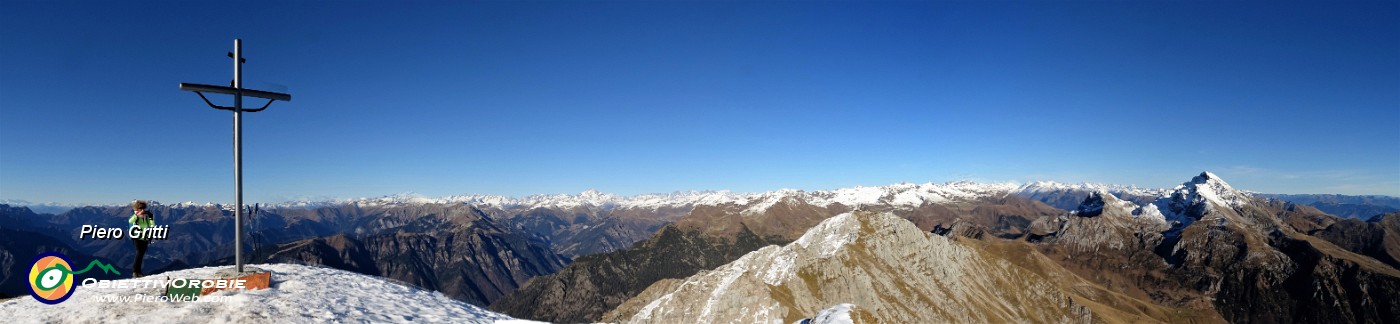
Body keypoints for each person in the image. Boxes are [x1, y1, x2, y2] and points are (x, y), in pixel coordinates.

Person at [129, 200, 155, 278]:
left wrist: (151, 218)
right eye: (140, 208)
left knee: (141, 254)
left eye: (143, 208)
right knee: (139, 253)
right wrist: (137, 215)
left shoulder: (146, 216)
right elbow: (130, 221)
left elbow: (152, 225)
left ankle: (139, 271)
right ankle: (135, 271)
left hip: (145, 237)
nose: (142, 210)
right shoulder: (135, 215)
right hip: (137, 237)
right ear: (137, 209)